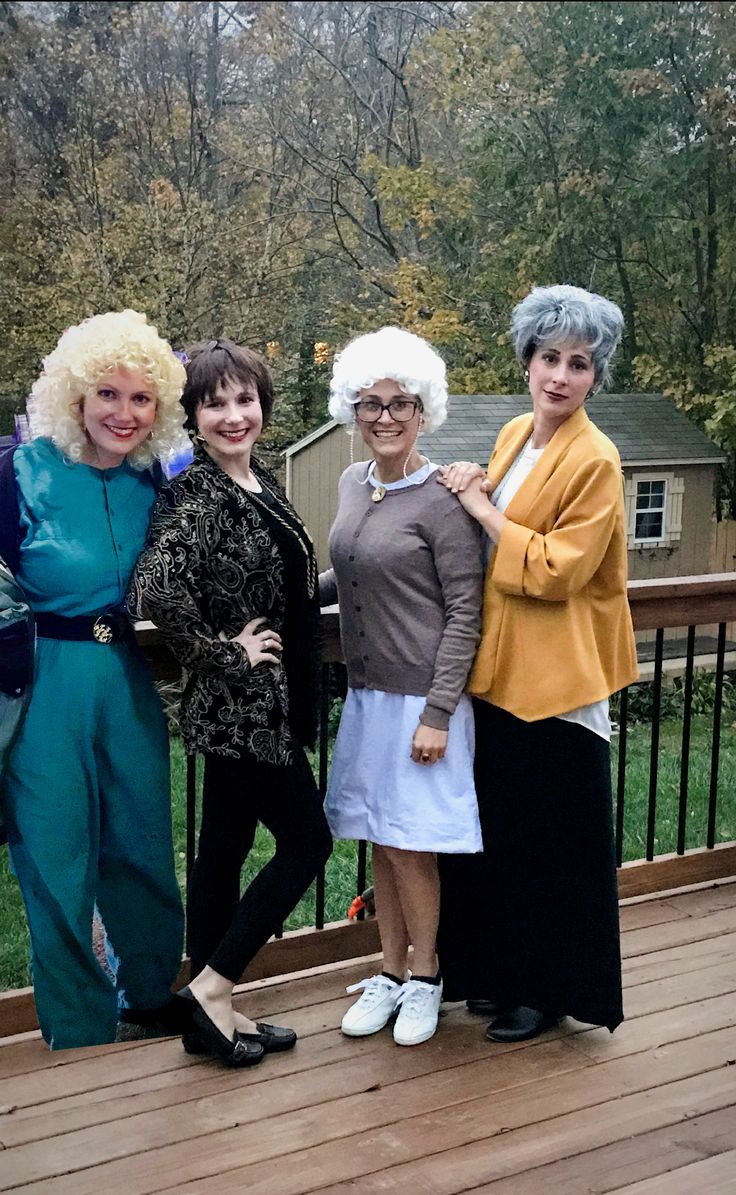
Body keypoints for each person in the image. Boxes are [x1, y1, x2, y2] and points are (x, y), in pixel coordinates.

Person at [436, 284, 639, 1042]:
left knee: (557, 844)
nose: (560, 375)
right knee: (502, 833)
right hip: (500, 668)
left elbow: (558, 569)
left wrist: (485, 507)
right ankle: (497, 974)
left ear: (595, 375)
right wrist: (476, 485)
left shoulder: (597, 457)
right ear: (527, 360)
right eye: (549, 357)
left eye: (578, 363)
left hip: (559, 680)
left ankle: (547, 990)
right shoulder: (519, 433)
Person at [128, 338, 333, 1068]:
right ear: (193, 415)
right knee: (311, 844)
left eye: (244, 398)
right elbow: (156, 587)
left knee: (223, 851)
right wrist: (224, 651)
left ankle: (207, 1012)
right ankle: (214, 986)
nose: (232, 413)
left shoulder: (258, 482)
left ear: (263, 406)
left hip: (256, 708)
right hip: (240, 709)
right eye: (214, 402)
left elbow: (290, 577)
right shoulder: (196, 495)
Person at [0, 310, 187, 1049]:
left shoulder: (161, 482)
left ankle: (149, 994)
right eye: (107, 394)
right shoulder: (21, 471)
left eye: (142, 399)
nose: (124, 413)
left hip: (130, 678)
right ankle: (77, 1028)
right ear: (76, 396)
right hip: (43, 682)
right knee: (56, 855)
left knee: (142, 840)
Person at [321, 326, 484, 1047]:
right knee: (381, 843)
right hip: (367, 695)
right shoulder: (354, 482)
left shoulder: (443, 499)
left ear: (424, 411)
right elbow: (347, 569)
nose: (384, 417)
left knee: (414, 846)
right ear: (351, 411)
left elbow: (465, 611)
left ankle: (426, 976)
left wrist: (439, 711)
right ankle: (389, 970)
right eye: (369, 403)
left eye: (400, 403)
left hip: (423, 702)